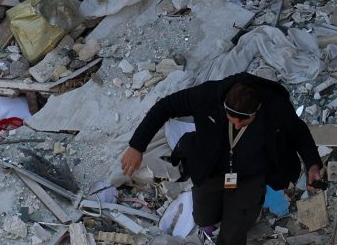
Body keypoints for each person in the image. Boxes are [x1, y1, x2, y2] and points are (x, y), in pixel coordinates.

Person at [120, 72, 323, 244]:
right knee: (203, 217)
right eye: (232, 119)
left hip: (251, 175)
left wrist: (313, 164)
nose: (236, 126)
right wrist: (136, 146)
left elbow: (299, 133)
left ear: (257, 109)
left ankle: (247, 213)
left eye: (244, 122)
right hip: (211, 169)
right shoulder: (207, 95)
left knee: (233, 233)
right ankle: (230, 213)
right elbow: (164, 107)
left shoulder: (275, 105)